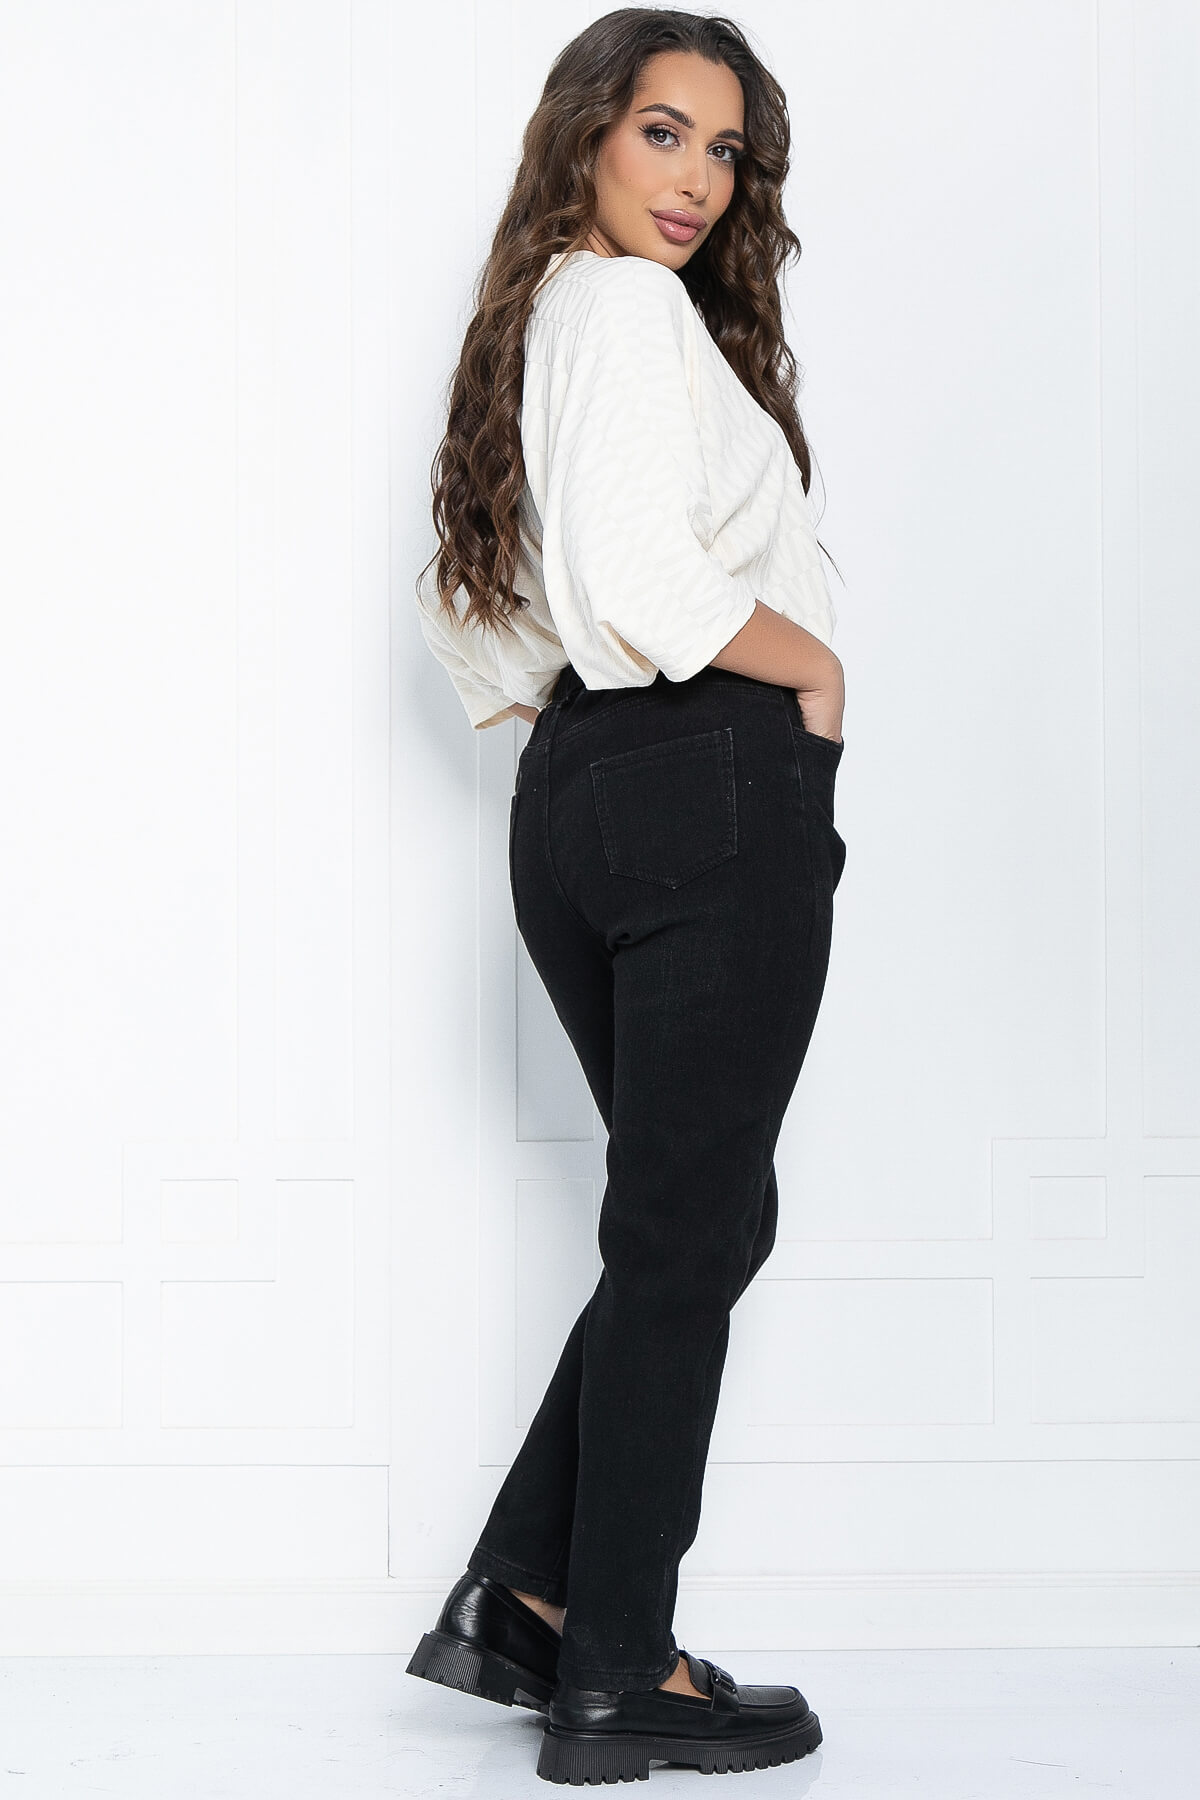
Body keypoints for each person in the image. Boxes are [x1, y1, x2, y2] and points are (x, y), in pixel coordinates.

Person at [405, 8, 846, 1784]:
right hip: (707, 775)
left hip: (579, 798)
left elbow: (467, 617)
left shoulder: (538, 327)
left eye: (724, 151)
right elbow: (651, 587)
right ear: (585, 135)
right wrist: (814, 676)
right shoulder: (627, 312)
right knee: (687, 1227)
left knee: (695, 1219)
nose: (697, 179)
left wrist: (600, 758)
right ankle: (617, 1668)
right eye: (663, 132)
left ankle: (526, 1597)